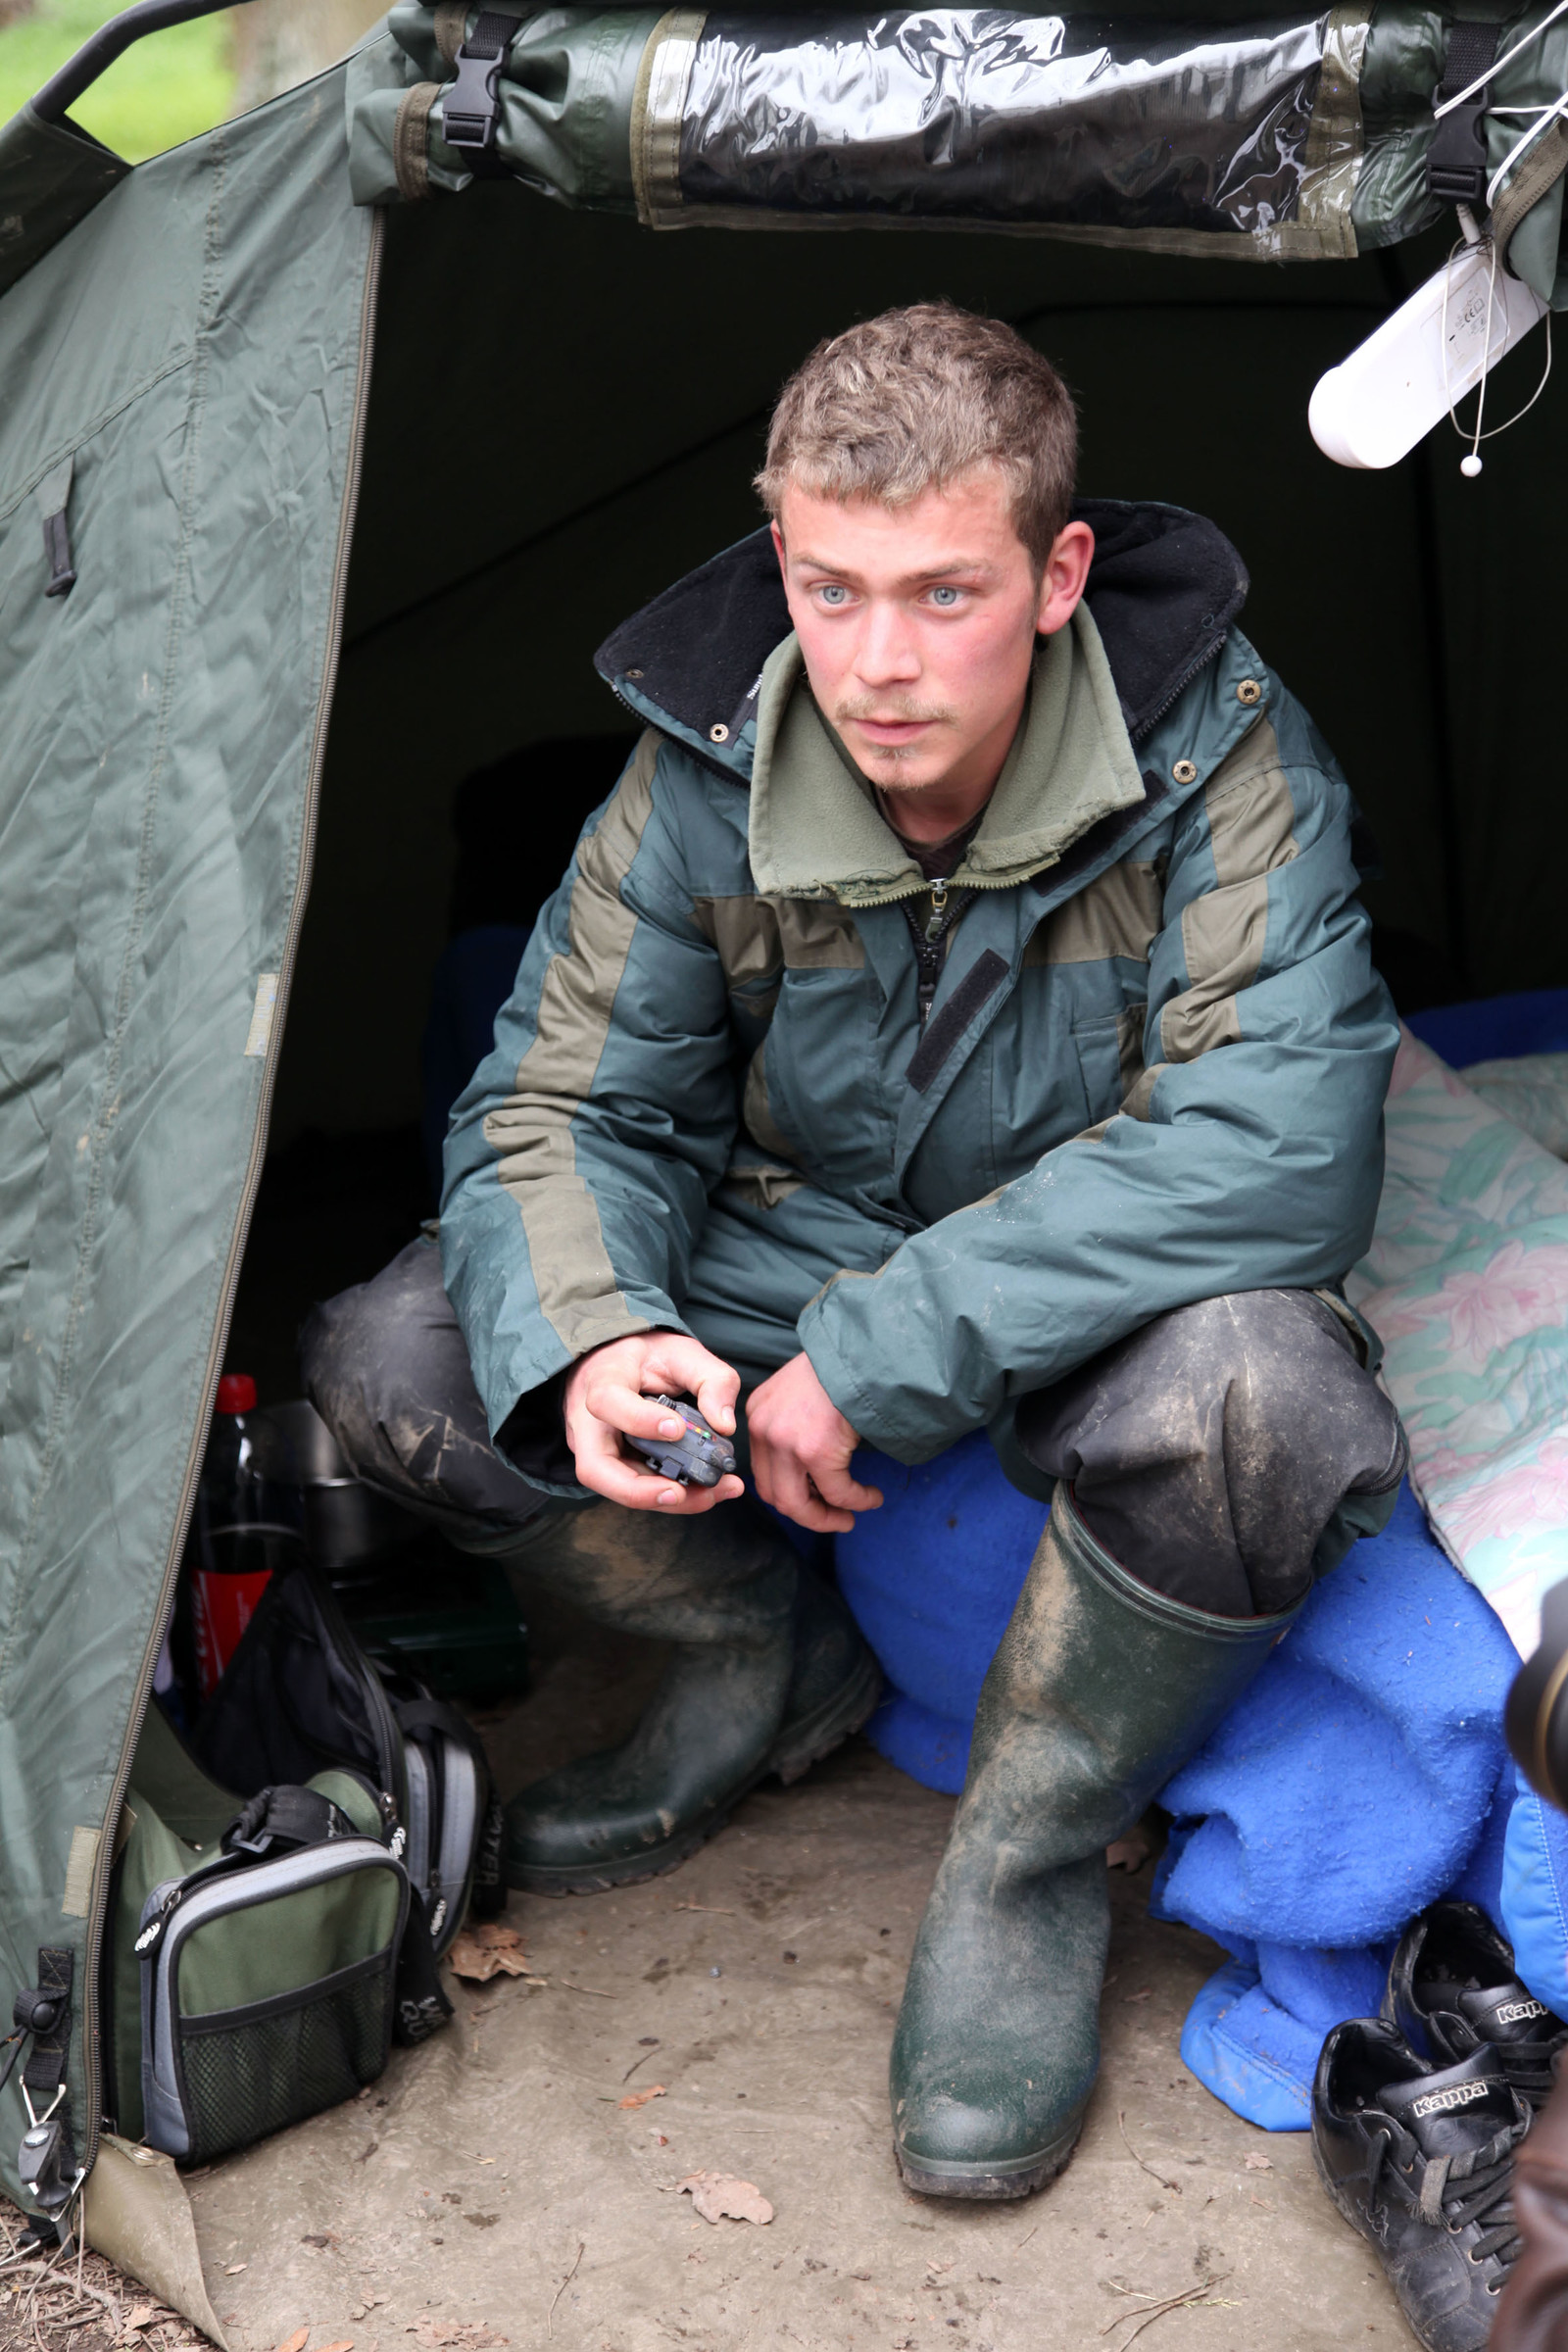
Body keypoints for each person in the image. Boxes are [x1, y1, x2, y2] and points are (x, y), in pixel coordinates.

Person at [304, 304, 1405, 2201]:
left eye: (942, 593)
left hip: (1095, 1276)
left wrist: (883, 1353)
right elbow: (561, 1102)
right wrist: (599, 1332)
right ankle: (757, 1652)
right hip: (791, 1239)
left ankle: (1025, 1863)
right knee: (404, 1361)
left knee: (1264, 1401)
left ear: (1057, 573)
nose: (878, 664)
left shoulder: (1220, 749)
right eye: (830, 590)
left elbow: (1276, 1146)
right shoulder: (704, 759)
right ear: (779, 556)